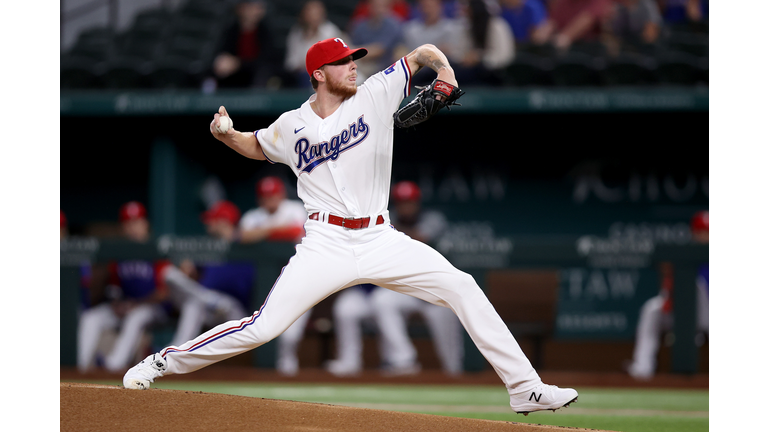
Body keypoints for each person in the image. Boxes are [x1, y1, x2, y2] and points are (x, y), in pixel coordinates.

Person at [124, 37, 578, 415]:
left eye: (353, 59)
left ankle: (524, 388)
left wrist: (446, 75)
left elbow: (422, 53)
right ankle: (162, 363)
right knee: (261, 328)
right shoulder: (291, 125)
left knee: (462, 286)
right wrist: (226, 134)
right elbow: (254, 145)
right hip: (326, 242)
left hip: (380, 236)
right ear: (319, 73)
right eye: (343, 62)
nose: (353, 67)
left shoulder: (378, 93)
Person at [78, 201, 171, 373]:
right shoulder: (119, 252)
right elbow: (113, 287)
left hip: (154, 309)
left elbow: (164, 293)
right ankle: (80, 367)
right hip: (126, 306)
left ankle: (114, 366)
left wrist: (137, 304)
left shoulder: (157, 250)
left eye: (137, 222)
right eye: (128, 223)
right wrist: (116, 303)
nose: (133, 228)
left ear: (145, 224)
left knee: (136, 317)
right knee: (91, 318)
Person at [239, 176, 310, 376]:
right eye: (265, 196)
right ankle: (276, 375)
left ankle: (288, 372)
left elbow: (296, 231)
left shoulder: (294, 209)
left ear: (282, 195)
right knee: (264, 327)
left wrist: (263, 232)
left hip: (299, 277)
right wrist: (275, 229)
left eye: (273, 195)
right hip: (266, 282)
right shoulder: (253, 216)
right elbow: (243, 236)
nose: (270, 200)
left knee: (290, 335)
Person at [626, 210, 709, 380]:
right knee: (651, 310)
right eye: (701, 232)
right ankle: (642, 368)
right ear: (693, 233)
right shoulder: (686, 255)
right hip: (686, 313)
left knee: (697, 285)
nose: (705, 237)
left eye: (708, 233)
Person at [164, 200, 254, 348]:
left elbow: (242, 287)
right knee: (189, 299)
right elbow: (195, 273)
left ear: (224, 222)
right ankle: (178, 349)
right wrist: (190, 271)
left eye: (212, 220)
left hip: (236, 311)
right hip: (209, 305)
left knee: (206, 299)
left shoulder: (243, 246)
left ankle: (210, 299)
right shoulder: (209, 247)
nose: (208, 223)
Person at [207, 0, 278, 89]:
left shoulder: (266, 31)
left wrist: (239, 63)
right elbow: (223, 51)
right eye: (251, 7)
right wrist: (224, 61)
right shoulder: (231, 29)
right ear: (241, 9)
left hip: (255, 72)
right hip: (234, 73)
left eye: (259, 8)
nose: (256, 11)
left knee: (262, 74)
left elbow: (266, 60)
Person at [393, 0, 463, 87]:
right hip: (418, 71)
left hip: (441, 70)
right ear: (420, 8)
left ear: (440, 7)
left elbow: (455, 54)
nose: (429, 10)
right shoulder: (411, 29)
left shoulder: (452, 28)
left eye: (432, 6)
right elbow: (402, 51)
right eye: (426, 6)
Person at [451, 0, 515, 86]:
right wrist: (465, 58)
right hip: (473, 70)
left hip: (496, 72)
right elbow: (461, 52)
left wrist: (479, 58)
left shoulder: (497, 26)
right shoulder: (470, 27)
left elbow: (503, 56)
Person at [284, 0, 345, 88]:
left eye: (317, 11)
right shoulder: (296, 34)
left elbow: (337, 60)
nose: (314, 14)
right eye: (310, 10)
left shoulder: (330, 32)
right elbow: (291, 63)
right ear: (303, 13)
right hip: (302, 77)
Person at [349, 0, 404, 80]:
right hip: (360, 62)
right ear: (369, 6)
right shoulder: (360, 24)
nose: (379, 10)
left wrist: (354, 53)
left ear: (389, 8)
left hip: (383, 67)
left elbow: (379, 50)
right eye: (376, 6)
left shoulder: (393, 24)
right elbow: (352, 45)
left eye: (383, 6)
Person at [547, 0, 613, 51]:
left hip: (590, 50)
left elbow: (590, 17)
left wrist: (567, 36)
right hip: (566, 50)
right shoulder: (564, 2)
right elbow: (553, 22)